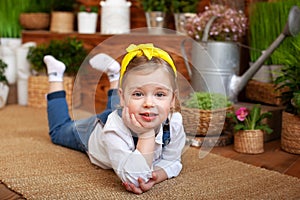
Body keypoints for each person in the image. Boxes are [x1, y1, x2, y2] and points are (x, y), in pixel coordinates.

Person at [45, 43, 186, 194]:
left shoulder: (174, 123)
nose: (149, 104)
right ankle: (55, 76)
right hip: (94, 130)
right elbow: (133, 178)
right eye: (138, 94)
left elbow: (172, 161)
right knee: (58, 131)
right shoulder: (114, 127)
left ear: (172, 99)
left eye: (160, 94)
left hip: (129, 111)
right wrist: (147, 134)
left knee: (122, 107)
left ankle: (114, 75)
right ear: (122, 99)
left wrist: (157, 175)